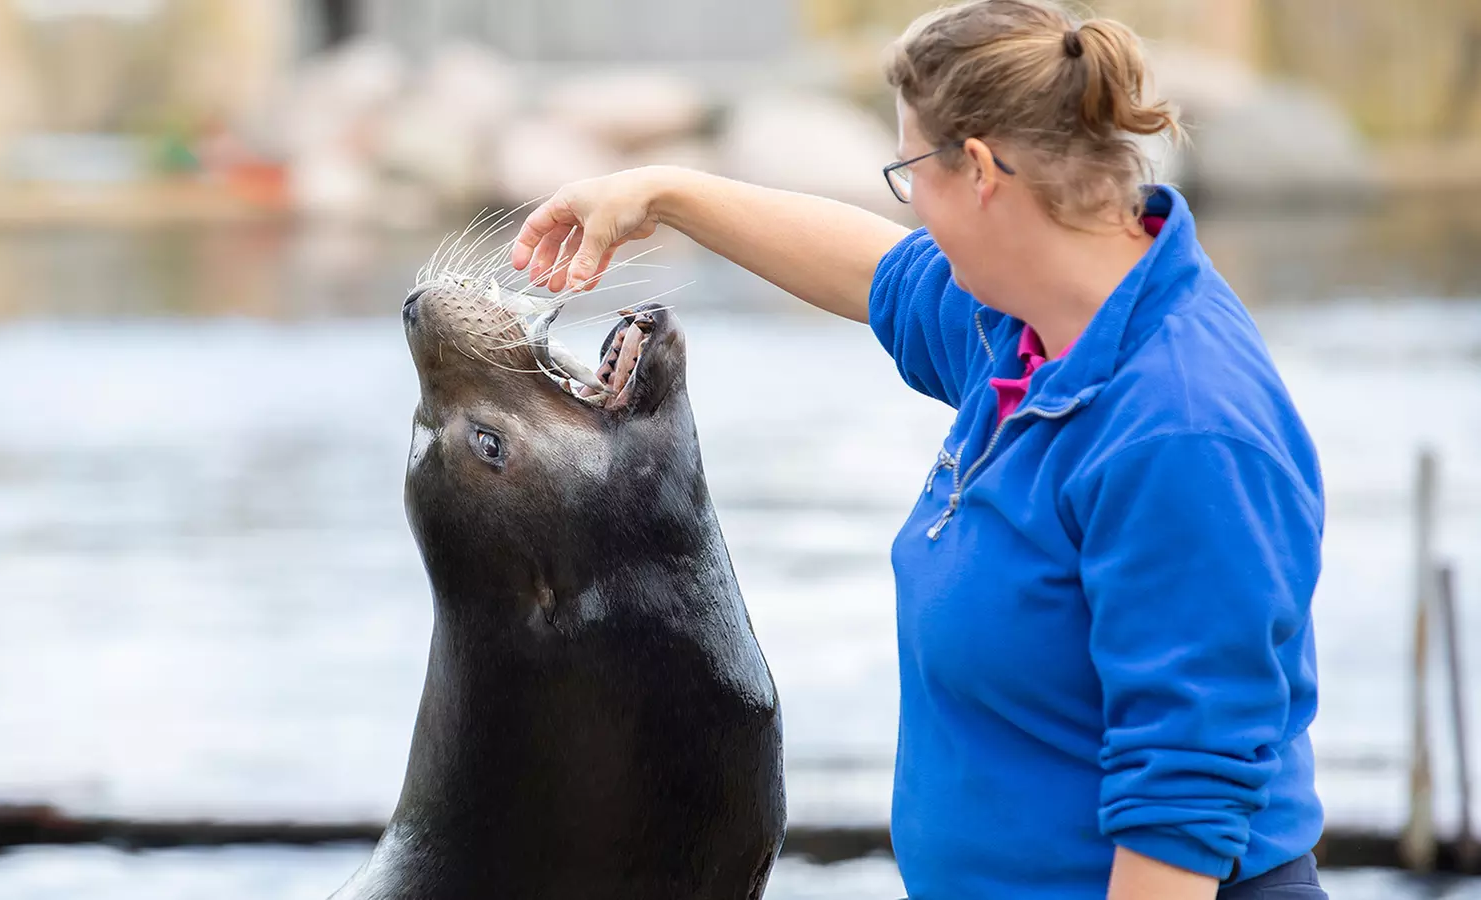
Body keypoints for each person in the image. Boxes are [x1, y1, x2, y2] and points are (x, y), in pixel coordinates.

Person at [508, 1, 1327, 897]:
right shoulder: (1032, 324)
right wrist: (664, 193)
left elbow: (1181, 808)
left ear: (978, 170)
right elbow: (878, 272)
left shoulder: (1182, 426)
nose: (907, 206)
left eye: (906, 173)